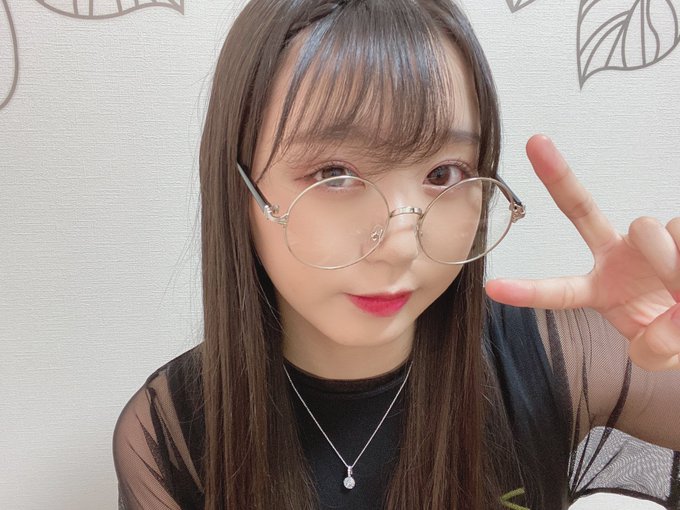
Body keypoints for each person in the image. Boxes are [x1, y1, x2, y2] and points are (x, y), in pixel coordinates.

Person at [112, 0, 680, 509]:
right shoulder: (171, 432)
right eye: (334, 174)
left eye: (444, 173)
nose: (402, 245)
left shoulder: (557, 359)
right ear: (241, 190)